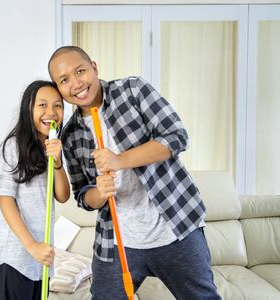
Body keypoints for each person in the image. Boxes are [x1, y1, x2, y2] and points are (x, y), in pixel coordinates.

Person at [48, 46, 220, 300]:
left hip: (175, 229)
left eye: (80, 71)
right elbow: (84, 197)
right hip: (117, 242)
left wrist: (119, 160)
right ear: (59, 88)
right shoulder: (71, 135)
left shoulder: (132, 91)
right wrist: (99, 193)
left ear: (94, 67)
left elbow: (176, 136)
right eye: (64, 80)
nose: (76, 83)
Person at [0, 80, 70, 300]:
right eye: (42, 105)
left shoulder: (52, 149)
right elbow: (5, 200)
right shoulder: (13, 146)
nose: (51, 112)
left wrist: (58, 161)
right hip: (14, 257)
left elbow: (63, 195)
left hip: (41, 257)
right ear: (28, 109)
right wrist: (31, 246)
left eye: (58, 105)